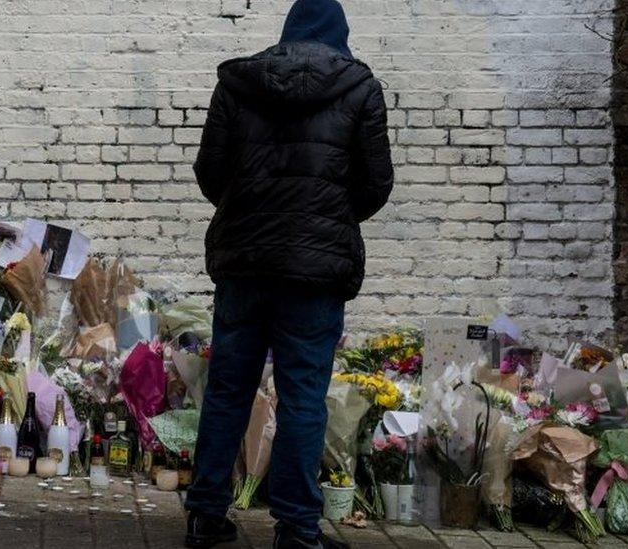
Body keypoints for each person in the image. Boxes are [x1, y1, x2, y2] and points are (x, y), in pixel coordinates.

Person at [183, 0, 394, 547]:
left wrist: (247, 210)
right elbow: (376, 183)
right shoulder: (359, 88)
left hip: (244, 264)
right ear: (339, 35)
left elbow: (211, 171)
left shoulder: (238, 84)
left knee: (229, 389)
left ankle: (206, 514)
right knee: (303, 396)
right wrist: (328, 219)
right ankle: (298, 529)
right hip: (314, 274)